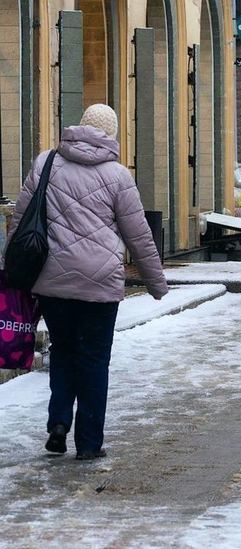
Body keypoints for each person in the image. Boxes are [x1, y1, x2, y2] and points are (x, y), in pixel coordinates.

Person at [5, 104, 168, 460]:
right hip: (100, 287)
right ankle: (90, 443)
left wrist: (15, 271)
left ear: (80, 127)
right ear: (110, 135)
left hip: (52, 282)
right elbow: (139, 236)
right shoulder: (118, 176)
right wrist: (156, 284)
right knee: (94, 361)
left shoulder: (46, 163)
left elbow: (20, 221)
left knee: (62, 352)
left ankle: (59, 423)